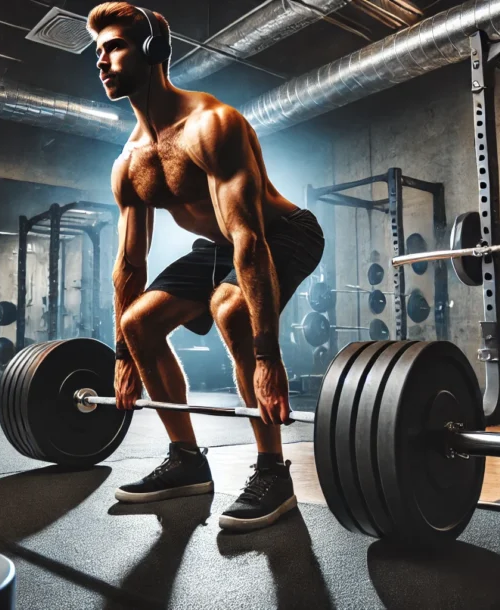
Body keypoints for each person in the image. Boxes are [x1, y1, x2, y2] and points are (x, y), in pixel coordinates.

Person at [88, 2, 325, 531]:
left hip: (282, 233)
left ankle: (272, 471)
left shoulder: (211, 125)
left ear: (153, 51)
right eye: (97, 51)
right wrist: (124, 355)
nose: (101, 61)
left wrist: (268, 356)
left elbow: (248, 237)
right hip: (219, 246)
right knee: (137, 323)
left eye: (115, 46)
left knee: (230, 307)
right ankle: (186, 461)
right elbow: (129, 262)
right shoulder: (128, 164)